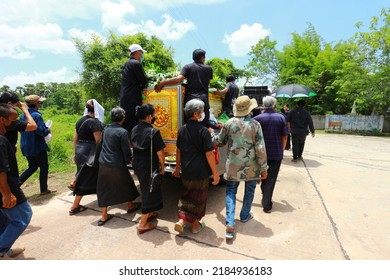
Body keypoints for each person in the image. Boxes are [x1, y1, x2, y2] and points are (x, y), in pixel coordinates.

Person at [212, 95, 268, 240]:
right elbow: (260, 148)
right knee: (250, 190)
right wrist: (264, 168)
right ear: (250, 109)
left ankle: (230, 222)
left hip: (233, 166)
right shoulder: (255, 125)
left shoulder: (229, 123)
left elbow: (220, 142)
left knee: (231, 191)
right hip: (252, 167)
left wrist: (212, 135)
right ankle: (244, 215)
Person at [172, 99, 220, 234]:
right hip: (200, 172)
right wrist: (215, 174)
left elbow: (178, 150)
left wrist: (177, 168)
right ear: (195, 114)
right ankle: (195, 225)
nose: (203, 113)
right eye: (202, 111)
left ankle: (181, 220)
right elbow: (209, 154)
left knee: (186, 194)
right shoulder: (203, 131)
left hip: (186, 170)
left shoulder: (182, 130)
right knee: (199, 198)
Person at [96, 107, 140, 226]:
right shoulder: (123, 132)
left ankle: (104, 215)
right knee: (127, 183)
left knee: (103, 188)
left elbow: (102, 144)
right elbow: (126, 151)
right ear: (123, 118)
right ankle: (130, 205)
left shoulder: (106, 129)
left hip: (104, 162)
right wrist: (131, 161)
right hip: (116, 163)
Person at [0, 104, 33, 260]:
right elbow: (0, 170)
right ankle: (1, 250)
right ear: (2, 120)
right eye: (12, 121)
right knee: (22, 217)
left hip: (4, 187)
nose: (15, 124)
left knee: (5, 219)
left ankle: (5, 249)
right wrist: (6, 194)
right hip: (6, 187)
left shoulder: (3, 138)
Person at [154, 48, 213, 126]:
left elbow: (179, 79)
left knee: (190, 125)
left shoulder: (188, 67)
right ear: (202, 57)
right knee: (202, 126)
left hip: (191, 101)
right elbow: (208, 83)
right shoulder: (209, 69)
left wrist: (162, 83)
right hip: (203, 100)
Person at [131, 104, 166, 234]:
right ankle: (143, 223)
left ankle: (150, 212)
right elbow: (160, 153)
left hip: (137, 165)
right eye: (154, 114)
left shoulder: (134, 129)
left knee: (148, 189)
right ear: (149, 116)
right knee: (148, 192)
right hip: (149, 167)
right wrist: (162, 166)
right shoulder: (153, 131)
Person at [69, 99, 104, 215]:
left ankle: (102, 198)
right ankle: (74, 206)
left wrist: (75, 153)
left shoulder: (80, 120)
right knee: (86, 177)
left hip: (80, 149)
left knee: (83, 173)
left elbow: (75, 138)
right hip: (90, 151)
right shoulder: (94, 123)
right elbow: (98, 141)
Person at [253, 96, 288, 213]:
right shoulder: (281, 118)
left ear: (263, 104)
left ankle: (265, 192)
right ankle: (267, 204)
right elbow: (284, 136)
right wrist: (282, 149)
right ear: (274, 105)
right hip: (275, 152)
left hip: (259, 153)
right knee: (271, 178)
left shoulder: (257, 118)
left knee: (264, 175)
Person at [19, 95, 56, 195]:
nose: (40, 104)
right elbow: (40, 130)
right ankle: (43, 190)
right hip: (36, 146)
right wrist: (47, 130)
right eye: (40, 103)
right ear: (36, 104)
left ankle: (16, 185)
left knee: (32, 167)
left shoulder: (23, 115)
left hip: (25, 145)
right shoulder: (37, 116)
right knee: (44, 166)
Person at [119, 43, 148, 135]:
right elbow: (143, 81)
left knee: (126, 122)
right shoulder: (135, 64)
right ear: (136, 52)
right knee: (133, 124)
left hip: (125, 98)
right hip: (132, 99)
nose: (142, 55)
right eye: (141, 52)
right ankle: (132, 147)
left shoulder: (126, 64)